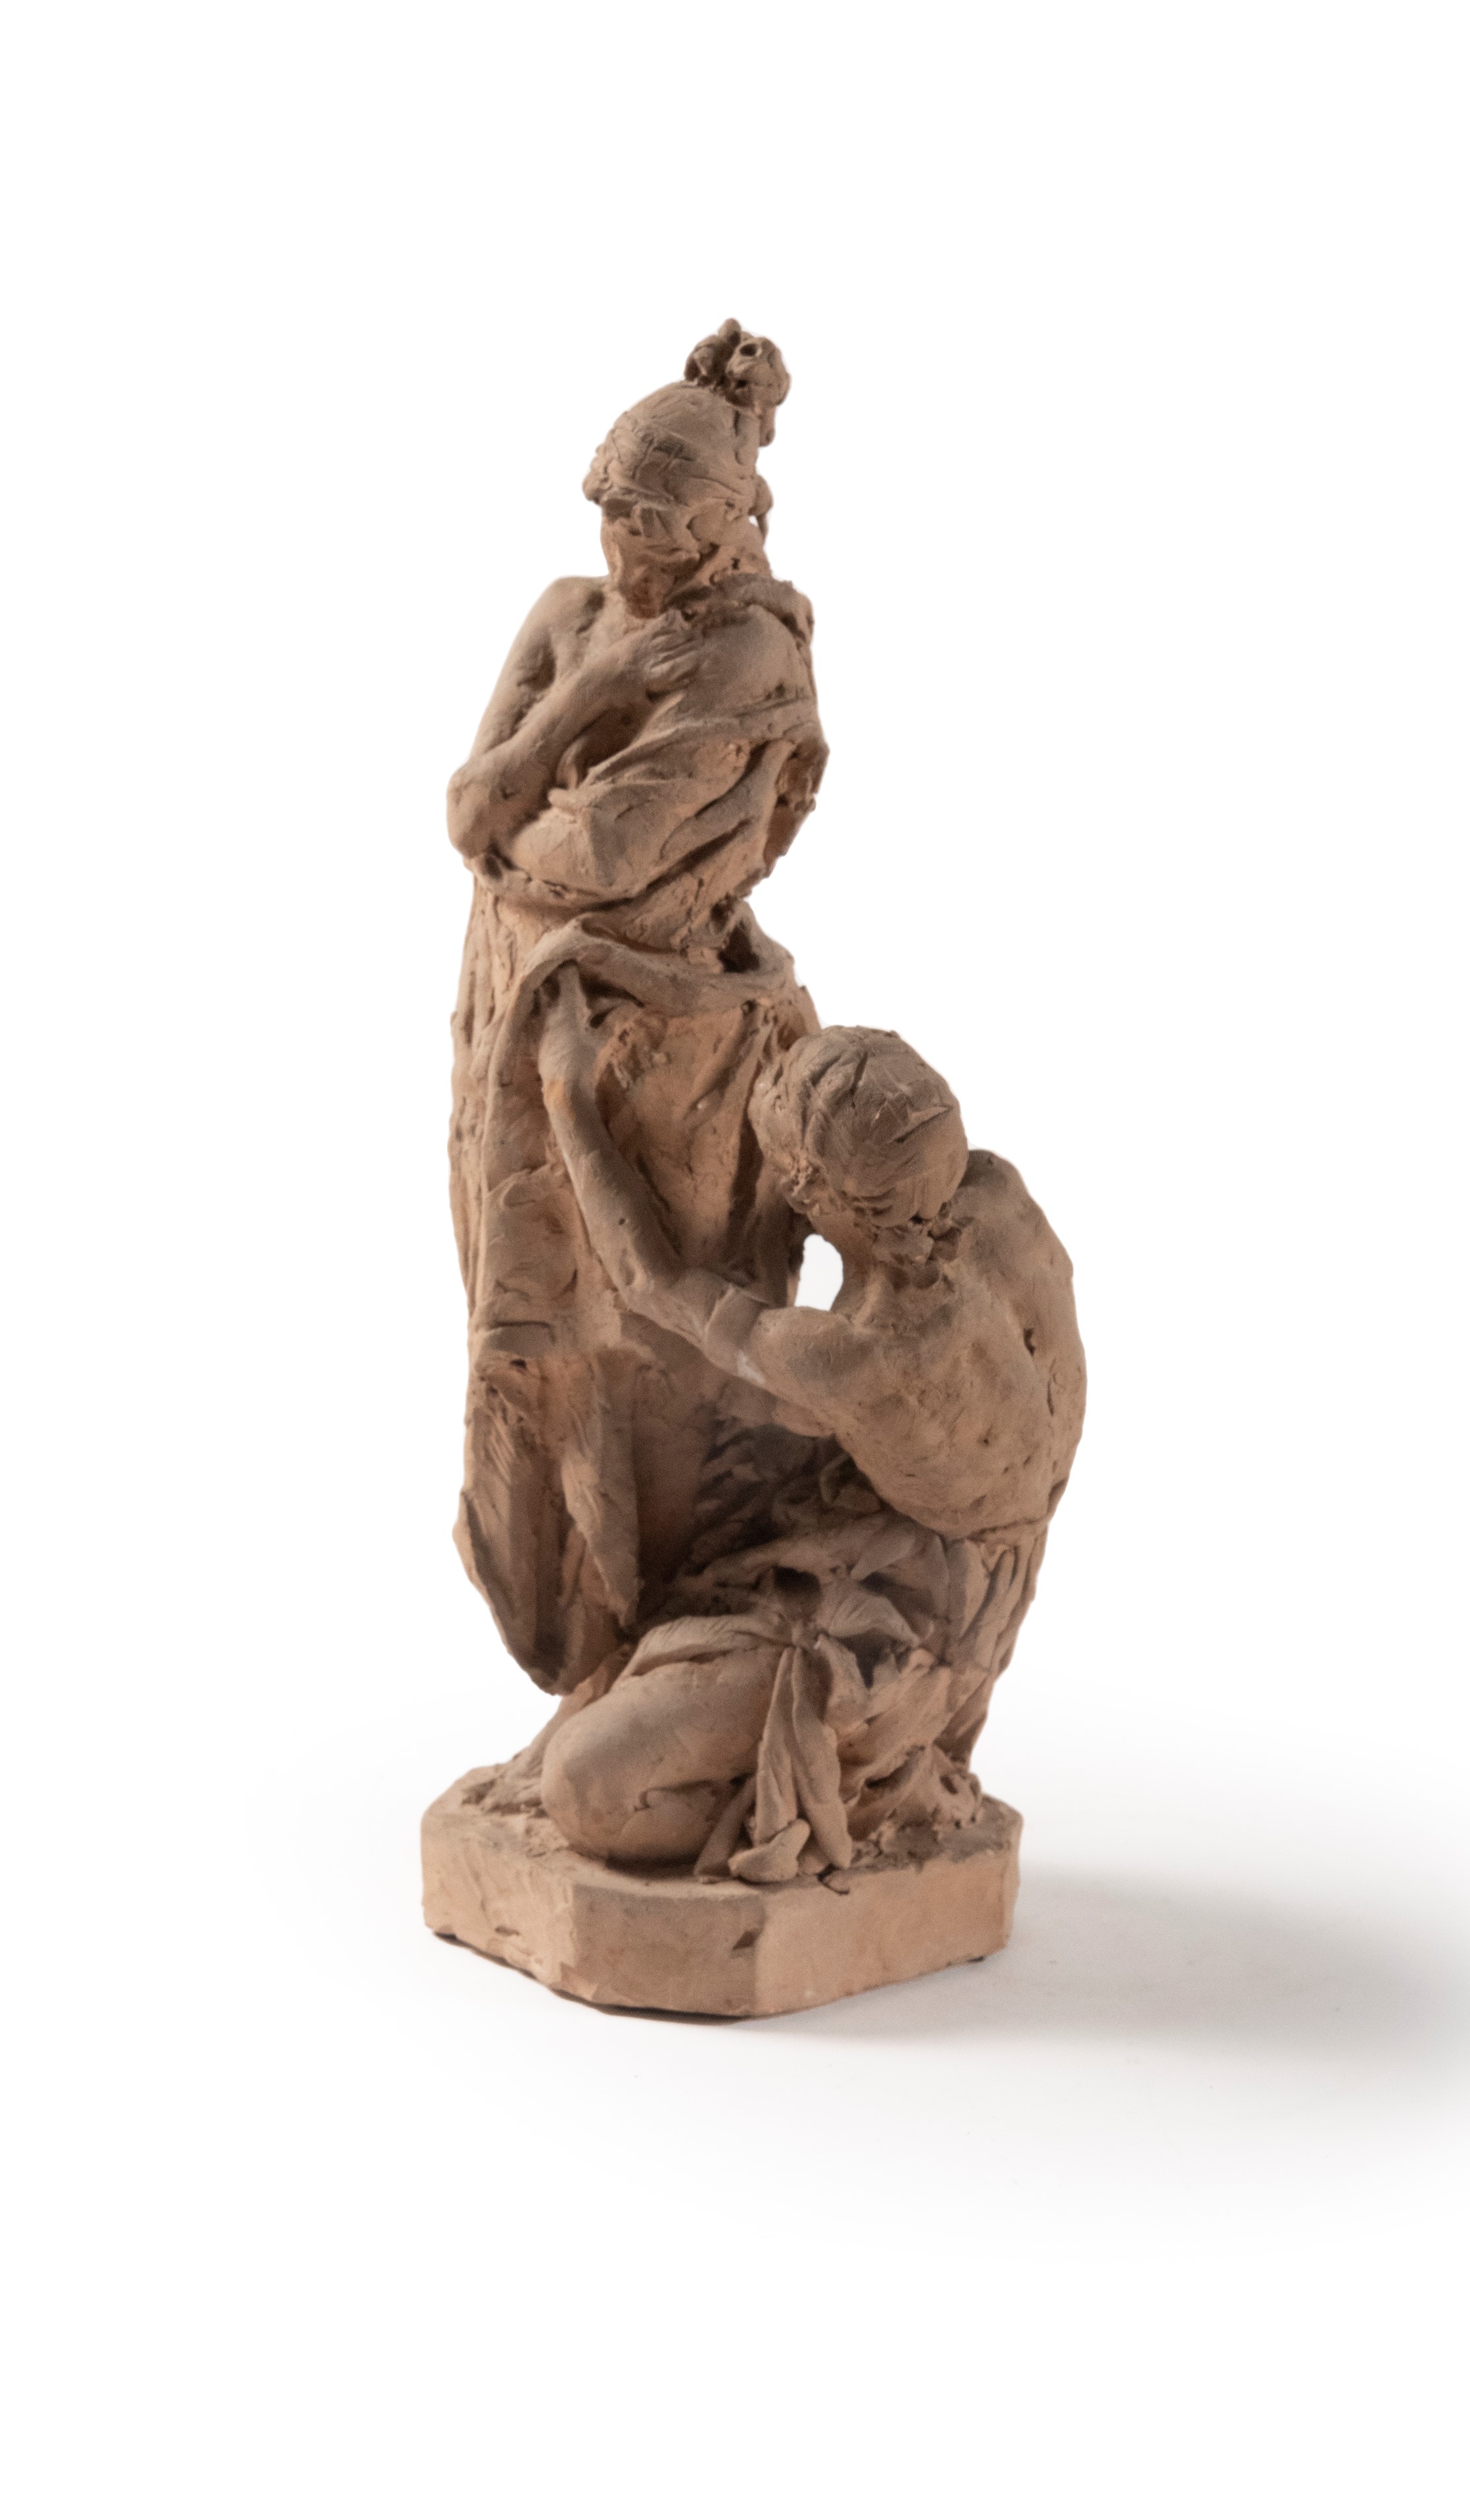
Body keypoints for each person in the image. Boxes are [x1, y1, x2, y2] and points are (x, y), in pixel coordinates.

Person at [446, 325, 828, 1693]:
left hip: (658, 1040)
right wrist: (589, 701)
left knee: (654, 1340)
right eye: (611, 510)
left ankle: (672, 1653)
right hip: (514, 1006)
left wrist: (525, 819)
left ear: (732, 520)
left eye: (659, 523)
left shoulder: (746, 655)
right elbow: (467, 815)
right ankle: (585, 1651)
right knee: (531, 1335)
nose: (625, 547)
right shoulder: (573, 620)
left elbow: (601, 853)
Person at [534, 1006, 1087, 1882]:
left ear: (806, 1191)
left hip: (907, 1620)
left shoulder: (854, 1353)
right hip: (977, 1549)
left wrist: (567, 1097)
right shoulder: (997, 1193)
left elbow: (648, 1279)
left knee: (583, 1791)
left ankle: (828, 1793)